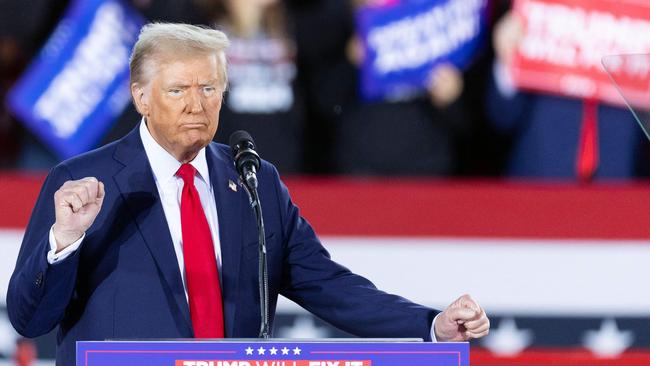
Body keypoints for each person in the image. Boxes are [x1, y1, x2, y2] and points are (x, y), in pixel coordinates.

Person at [6, 23, 489, 366]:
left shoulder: (253, 181)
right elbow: (30, 320)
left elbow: (331, 286)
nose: (197, 104)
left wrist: (431, 325)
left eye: (210, 88)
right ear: (140, 97)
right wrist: (61, 244)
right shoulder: (84, 182)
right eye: (178, 90)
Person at [485, 10, 647, 180]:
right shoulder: (542, 17)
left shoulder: (638, 24)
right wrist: (508, 62)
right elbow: (501, 117)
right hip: (536, 188)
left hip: (622, 191)